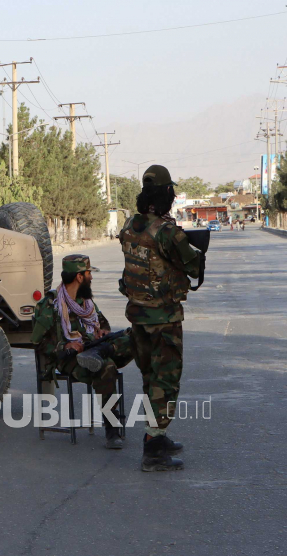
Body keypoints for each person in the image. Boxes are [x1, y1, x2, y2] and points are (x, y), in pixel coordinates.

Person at [119, 165, 203, 472]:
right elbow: (192, 266)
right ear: (167, 194)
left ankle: (158, 434)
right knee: (165, 382)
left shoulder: (130, 225)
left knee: (150, 378)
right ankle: (153, 450)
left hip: (138, 316)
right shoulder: (167, 233)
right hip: (163, 319)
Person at [31, 255, 133, 449]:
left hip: (94, 348)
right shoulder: (51, 305)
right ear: (79, 277)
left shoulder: (86, 303)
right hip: (70, 358)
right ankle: (112, 431)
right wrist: (64, 347)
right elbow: (37, 342)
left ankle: (102, 350)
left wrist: (103, 331)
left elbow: (102, 323)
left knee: (136, 337)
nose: (91, 278)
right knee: (107, 367)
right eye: (88, 274)